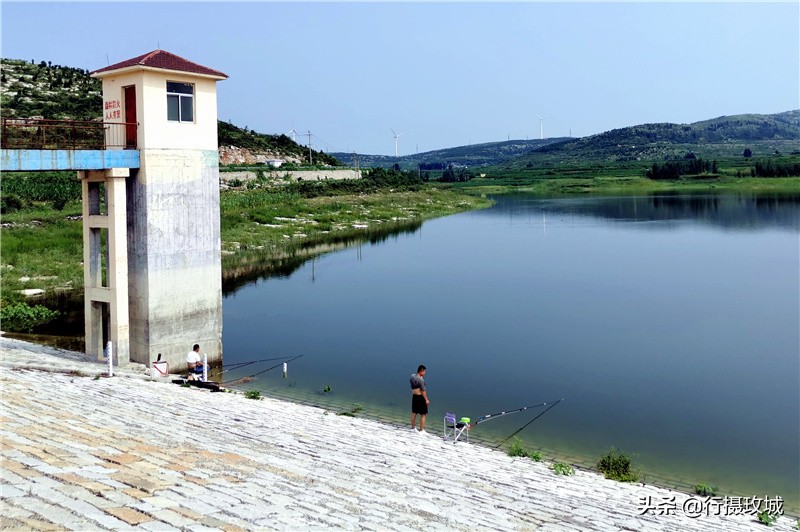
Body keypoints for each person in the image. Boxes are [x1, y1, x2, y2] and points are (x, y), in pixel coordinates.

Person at [410, 364, 430, 433]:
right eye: (424, 371)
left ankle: (413, 428)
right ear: (421, 371)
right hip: (420, 397)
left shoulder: (412, 376)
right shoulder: (421, 380)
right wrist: (426, 399)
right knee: (423, 414)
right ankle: (421, 430)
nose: (425, 373)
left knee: (414, 412)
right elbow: (423, 391)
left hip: (414, 396)